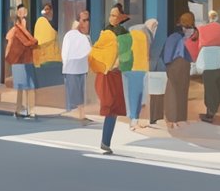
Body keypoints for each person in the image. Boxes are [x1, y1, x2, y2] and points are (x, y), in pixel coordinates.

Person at [92, 15, 127, 154]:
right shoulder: (112, 46)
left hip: (105, 78)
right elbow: (117, 64)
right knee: (112, 109)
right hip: (111, 79)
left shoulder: (102, 44)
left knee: (111, 110)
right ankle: (105, 142)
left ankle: (105, 142)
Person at [162, 13, 196, 129]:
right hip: (182, 63)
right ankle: (177, 118)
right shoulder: (183, 35)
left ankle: (176, 118)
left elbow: (167, 54)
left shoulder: (176, 35)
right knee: (179, 90)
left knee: (175, 90)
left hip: (177, 63)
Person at [5, 5, 39, 119]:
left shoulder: (25, 27)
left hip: (24, 59)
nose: (23, 13)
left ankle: (24, 109)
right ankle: (25, 110)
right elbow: (27, 42)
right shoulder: (17, 28)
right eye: (20, 11)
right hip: (21, 60)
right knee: (25, 86)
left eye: (24, 11)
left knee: (26, 86)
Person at [198, 11, 220, 124]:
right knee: (219, 85)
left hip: (209, 59)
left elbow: (200, 45)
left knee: (210, 87)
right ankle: (215, 109)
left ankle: (210, 112)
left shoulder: (202, 29)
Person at [61, 12, 92, 121]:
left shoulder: (85, 37)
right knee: (74, 93)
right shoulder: (71, 35)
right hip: (71, 69)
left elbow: (88, 52)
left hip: (81, 69)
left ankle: (81, 115)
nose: (85, 23)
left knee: (80, 93)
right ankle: (77, 114)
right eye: (83, 20)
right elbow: (65, 52)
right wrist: (65, 66)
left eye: (87, 20)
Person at [126, 17, 153, 131]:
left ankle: (135, 120)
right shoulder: (141, 35)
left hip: (136, 68)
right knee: (135, 95)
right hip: (137, 68)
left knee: (136, 95)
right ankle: (133, 121)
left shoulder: (135, 34)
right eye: (154, 26)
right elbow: (145, 53)